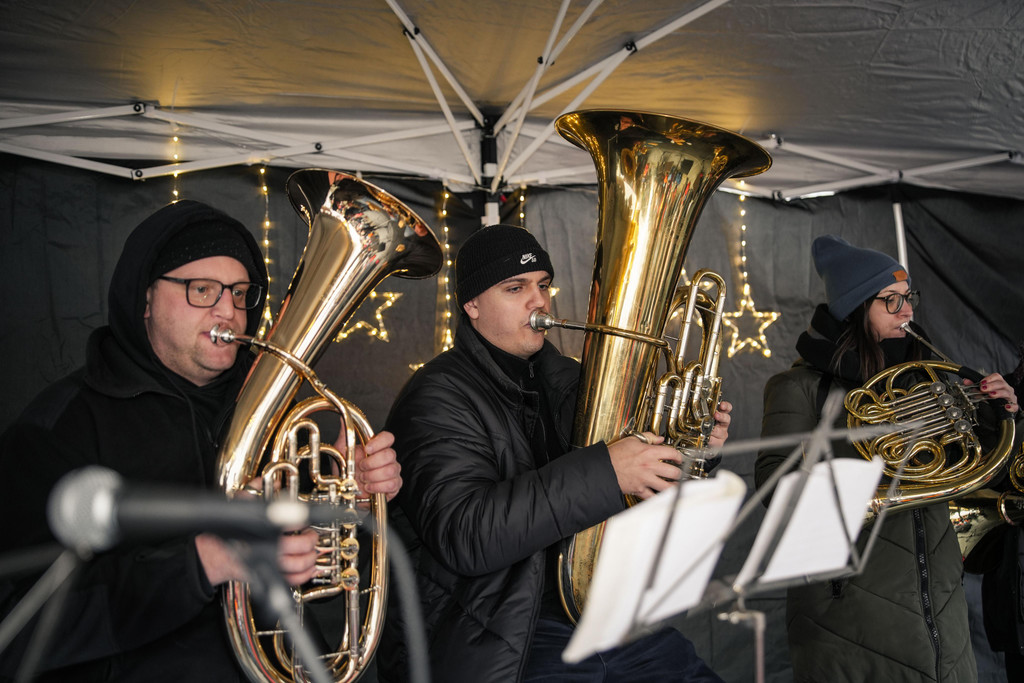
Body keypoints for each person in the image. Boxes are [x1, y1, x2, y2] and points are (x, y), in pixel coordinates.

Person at [0, 199, 402, 682]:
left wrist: (348, 503)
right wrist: (201, 564)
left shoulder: (278, 414)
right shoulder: (58, 427)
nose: (228, 311)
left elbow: (319, 571)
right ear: (145, 298)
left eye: (239, 293)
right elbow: (19, 628)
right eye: (202, 289)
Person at [378, 224, 731, 683]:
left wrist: (687, 450)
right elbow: (467, 535)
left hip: (601, 612)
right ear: (472, 305)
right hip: (501, 629)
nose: (539, 301)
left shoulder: (571, 378)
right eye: (515, 287)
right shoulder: (434, 397)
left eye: (543, 285)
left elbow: (633, 493)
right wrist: (607, 470)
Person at [755, 234, 1019, 683]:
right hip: (849, 625)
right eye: (891, 301)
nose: (908, 311)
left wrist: (998, 414)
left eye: (908, 298)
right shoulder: (800, 388)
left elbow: (983, 470)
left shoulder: (928, 382)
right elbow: (776, 489)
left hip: (942, 619)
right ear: (856, 310)